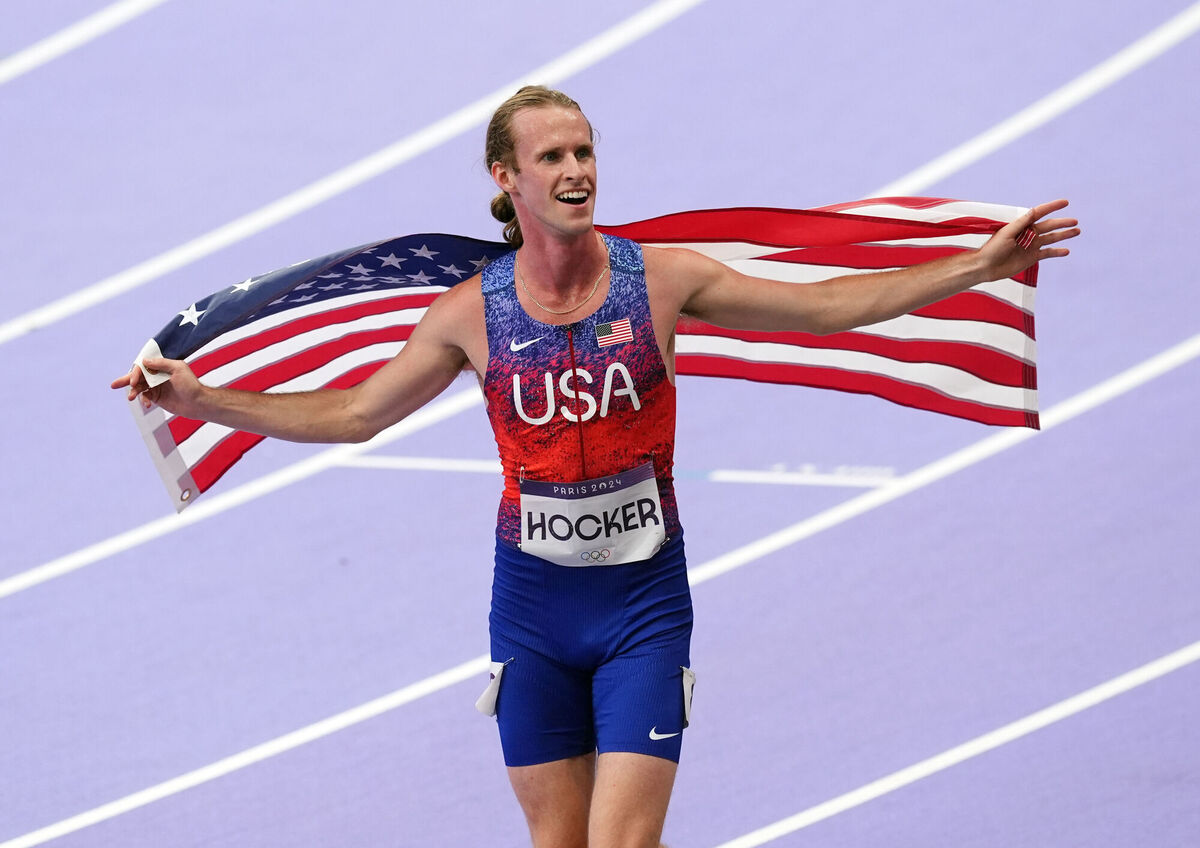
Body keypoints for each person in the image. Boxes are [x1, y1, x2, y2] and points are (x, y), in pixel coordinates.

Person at [113, 85, 1079, 847]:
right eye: (553, 157)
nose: (577, 170)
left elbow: (820, 307)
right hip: (530, 611)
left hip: (643, 610)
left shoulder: (660, 277)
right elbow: (356, 414)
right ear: (507, 178)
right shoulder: (469, 314)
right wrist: (201, 401)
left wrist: (974, 269)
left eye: (585, 152)